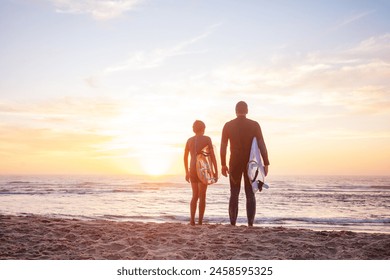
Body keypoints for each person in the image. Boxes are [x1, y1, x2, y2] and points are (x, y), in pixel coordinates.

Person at [220, 101, 269, 226]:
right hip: (250, 164)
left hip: (234, 162)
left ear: (235, 110)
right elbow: (261, 144)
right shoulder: (254, 125)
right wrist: (266, 163)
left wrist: (223, 164)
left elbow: (223, 146)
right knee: (250, 193)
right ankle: (250, 224)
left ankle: (232, 223)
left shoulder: (228, 125)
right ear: (247, 111)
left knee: (234, 193)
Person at [184, 120, 218, 226]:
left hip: (192, 169)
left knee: (195, 195)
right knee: (202, 195)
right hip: (202, 169)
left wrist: (187, 172)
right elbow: (212, 156)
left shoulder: (189, 140)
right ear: (203, 128)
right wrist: (215, 171)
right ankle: (200, 222)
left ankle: (192, 221)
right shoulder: (207, 139)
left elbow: (185, 157)